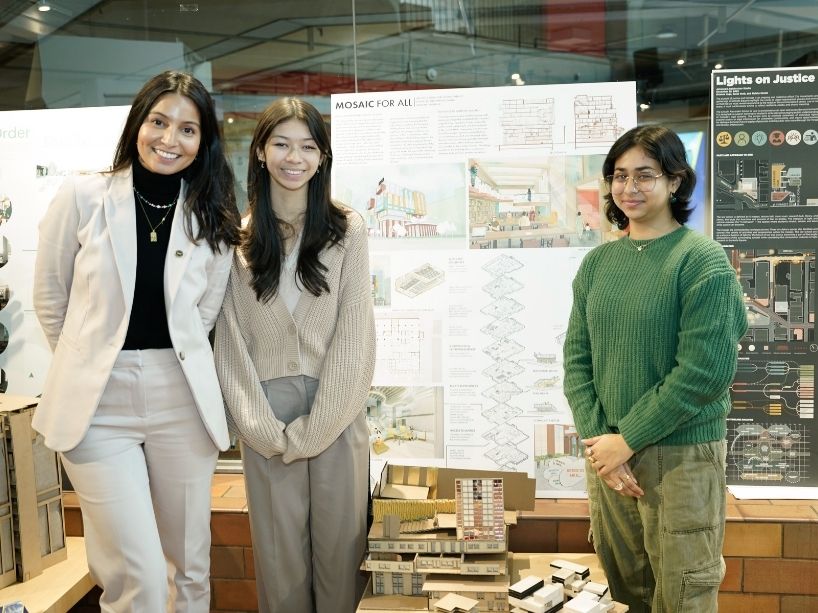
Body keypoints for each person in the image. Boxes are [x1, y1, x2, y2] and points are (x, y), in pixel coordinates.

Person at [32, 70, 241, 611]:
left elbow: (206, 313)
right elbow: (51, 299)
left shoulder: (212, 218)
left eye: (188, 129)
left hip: (180, 396)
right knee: (140, 576)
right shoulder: (85, 195)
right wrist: (93, 363)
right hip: (98, 405)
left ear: (205, 142)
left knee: (190, 568)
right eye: (159, 121)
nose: (170, 140)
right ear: (138, 123)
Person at [562, 125, 747, 613]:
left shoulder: (700, 260)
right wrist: (603, 444)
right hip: (610, 460)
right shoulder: (598, 264)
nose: (629, 188)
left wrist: (627, 440)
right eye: (619, 176)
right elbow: (577, 363)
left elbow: (704, 373)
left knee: (685, 593)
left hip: (681, 456)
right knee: (624, 594)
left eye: (645, 175)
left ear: (675, 181)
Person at [214, 97, 375, 613]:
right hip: (265, 418)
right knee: (280, 569)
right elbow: (230, 344)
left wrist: (317, 427)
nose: (294, 157)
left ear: (322, 157)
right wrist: (257, 427)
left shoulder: (347, 229)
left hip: (337, 410)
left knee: (341, 560)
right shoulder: (236, 239)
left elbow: (356, 335)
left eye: (308, 146)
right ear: (260, 152)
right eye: (281, 144)